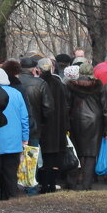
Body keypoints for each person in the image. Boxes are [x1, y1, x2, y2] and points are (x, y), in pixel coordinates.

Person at [0, 64, 30, 201]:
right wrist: (25, 137)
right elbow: (24, 118)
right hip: (14, 142)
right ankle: (11, 200)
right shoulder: (17, 93)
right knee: (11, 176)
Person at [63, 65, 104, 189]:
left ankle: (73, 182)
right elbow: (105, 108)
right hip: (95, 122)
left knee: (75, 152)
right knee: (91, 154)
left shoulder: (71, 87)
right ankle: (87, 184)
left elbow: (67, 106)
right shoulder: (98, 87)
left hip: (76, 121)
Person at [16, 58, 53, 195]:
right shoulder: (40, 83)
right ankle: (31, 189)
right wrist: (42, 122)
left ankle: (16, 188)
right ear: (34, 69)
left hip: (16, 128)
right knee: (32, 159)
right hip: (34, 128)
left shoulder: (14, 82)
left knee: (15, 159)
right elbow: (48, 108)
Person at [37, 58, 70, 191]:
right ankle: (51, 184)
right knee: (53, 159)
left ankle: (45, 185)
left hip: (45, 127)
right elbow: (65, 105)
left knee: (44, 159)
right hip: (58, 127)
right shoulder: (59, 84)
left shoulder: (40, 84)